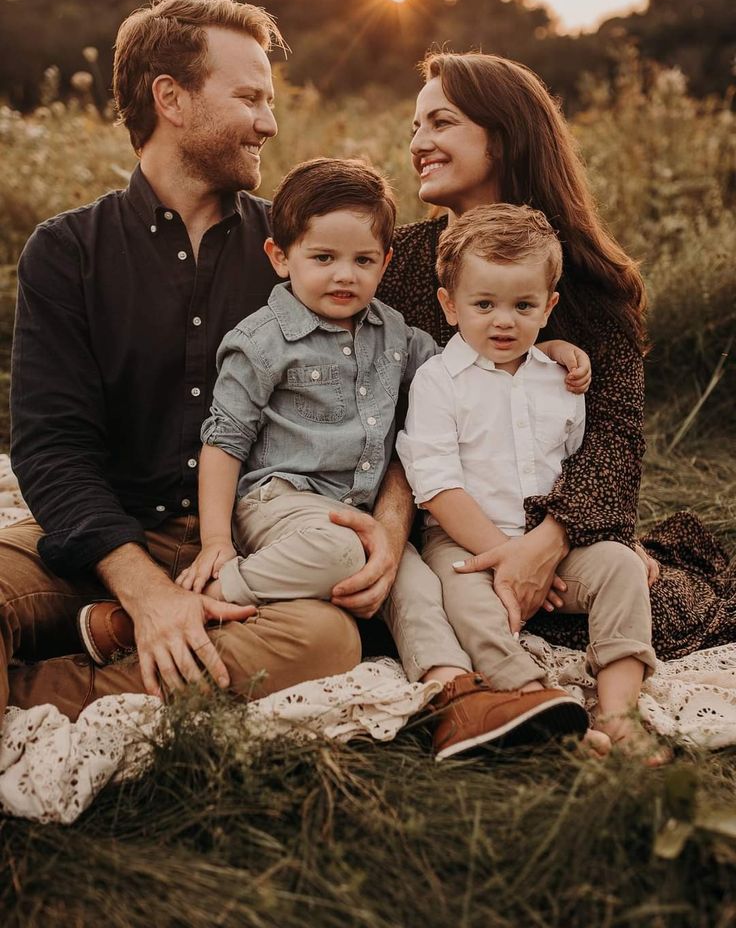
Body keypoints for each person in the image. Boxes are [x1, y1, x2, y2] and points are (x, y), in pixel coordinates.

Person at [79, 158, 591, 759]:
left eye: (363, 261)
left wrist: (545, 349)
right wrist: (217, 539)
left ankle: (454, 694)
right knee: (344, 550)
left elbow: (472, 357)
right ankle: (198, 600)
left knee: (413, 578)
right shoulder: (261, 340)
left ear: (385, 263)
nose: (343, 276)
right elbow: (224, 440)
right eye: (323, 258)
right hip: (281, 503)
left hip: (364, 514)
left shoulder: (398, 335)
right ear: (280, 257)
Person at [1, 0, 390, 726]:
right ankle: (128, 631)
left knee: (326, 639)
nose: (269, 123)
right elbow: (51, 447)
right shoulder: (67, 251)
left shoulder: (298, 254)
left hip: (248, 553)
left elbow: (399, 366)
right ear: (171, 99)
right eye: (249, 98)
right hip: (100, 546)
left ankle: (38, 695)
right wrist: (145, 591)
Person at [378, 51, 735, 661]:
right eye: (416, 126)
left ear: (505, 135)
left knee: (651, 601)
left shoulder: (588, 277)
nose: (419, 141)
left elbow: (616, 434)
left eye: (441, 122)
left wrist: (548, 542)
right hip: (443, 529)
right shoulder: (400, 262)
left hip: (564, 528)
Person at [397, 204, 664, 761]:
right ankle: (533, 699)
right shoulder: (438, 383)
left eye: (523, 306)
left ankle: (618, 712)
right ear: (450, 306)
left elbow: (568, 467)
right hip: (464, 540)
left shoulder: (558, 378)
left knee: (619, 567)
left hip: (546, 537)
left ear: (549, 307)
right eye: (484, 304)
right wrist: (506, 556)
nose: (503, 321)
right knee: (467, 601)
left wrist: (571, 543)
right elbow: (437, 486)